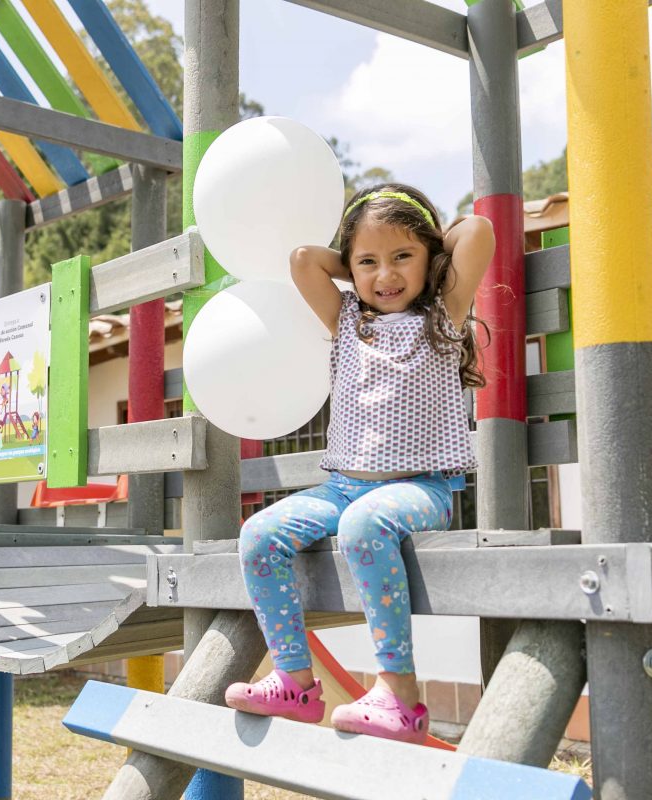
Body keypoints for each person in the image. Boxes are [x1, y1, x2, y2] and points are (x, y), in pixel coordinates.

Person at [224, 183, 494, 744]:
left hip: (420, 489)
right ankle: (294, 681)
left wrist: (430, 246)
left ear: (430, 259)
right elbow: (303, 260)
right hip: (341, 488)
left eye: (402, 257)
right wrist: (360, 261)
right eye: (367, 262)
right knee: (257, 535)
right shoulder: (347, 320)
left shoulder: (443, 315)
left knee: (363, 525)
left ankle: (399, 695)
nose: (384, 274)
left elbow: (478, 231)